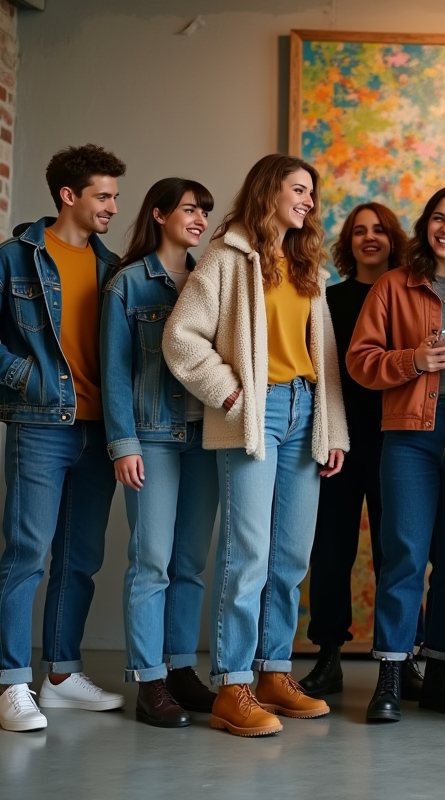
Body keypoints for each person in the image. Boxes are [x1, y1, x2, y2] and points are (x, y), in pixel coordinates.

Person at [162, 154, 348, 737]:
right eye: (299, 190)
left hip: (305, 412)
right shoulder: (225, 257)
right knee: (249, 555)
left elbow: (327, 358)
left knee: (291, 557)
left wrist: (333, 429)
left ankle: (273, 671)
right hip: (254, 412)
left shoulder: (306, 264)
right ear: (270, 191)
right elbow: (181, 337)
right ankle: (233, 684)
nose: (309, 202)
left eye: (312, 194)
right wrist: (230, 396)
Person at [0, 144, 127, 731]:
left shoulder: (114, 267)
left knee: (80, 559)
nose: (112, 207)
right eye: (103, 196)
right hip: (41, 426)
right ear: (68, 196)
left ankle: (59, 674)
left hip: (99, 429)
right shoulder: (15, 258)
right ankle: (10, 685)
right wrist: (20, 373)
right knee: (28, 553)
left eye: (115, 197)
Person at [348, 185, 445, 723]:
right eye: (438, 218)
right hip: (410, 434)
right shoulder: (393, 284)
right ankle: (389, 676)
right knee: (403, 554)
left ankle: (438, 673)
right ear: (425, 225)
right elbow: (361, 362)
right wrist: (415, 359)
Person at [100, 178, 220, 728]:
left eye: (204, 212)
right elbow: (116, 373)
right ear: (159, 213)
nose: (199, 219)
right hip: (152, 435)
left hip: (206, 438)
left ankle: (179, 669)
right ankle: (149, 680)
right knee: (151, 560)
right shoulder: (128, 283)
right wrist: (123, 443)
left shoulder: (210, 279)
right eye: (190, 209)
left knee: (190, 562)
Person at [298, 203, 426, 702]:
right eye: (358, 232)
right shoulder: (327, 300)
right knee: (331, 551)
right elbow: (321, 374)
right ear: (347, 243)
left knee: (401, 552)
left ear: (394, 238)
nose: (368, 238)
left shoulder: (411, 297)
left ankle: (405, 658)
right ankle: (328, 657)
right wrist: (330, 435)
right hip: (339, 442)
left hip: (401, 442)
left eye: (377, 230)